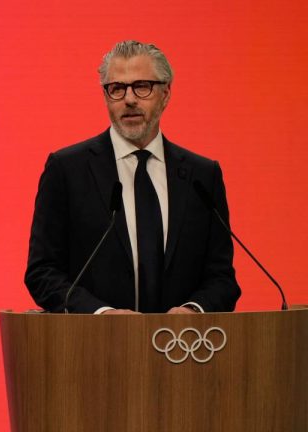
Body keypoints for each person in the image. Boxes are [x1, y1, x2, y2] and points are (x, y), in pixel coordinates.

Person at [24, 40, 240, 314]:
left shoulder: (203, 176)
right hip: (96, 339)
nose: (129, 99)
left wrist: (193, 311)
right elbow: (43, 271)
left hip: (182, 339)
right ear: (105, 96)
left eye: (142, 86)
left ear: (166, 93)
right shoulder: (67, 170)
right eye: (117, 88)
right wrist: (102, 314)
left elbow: (222, 278)